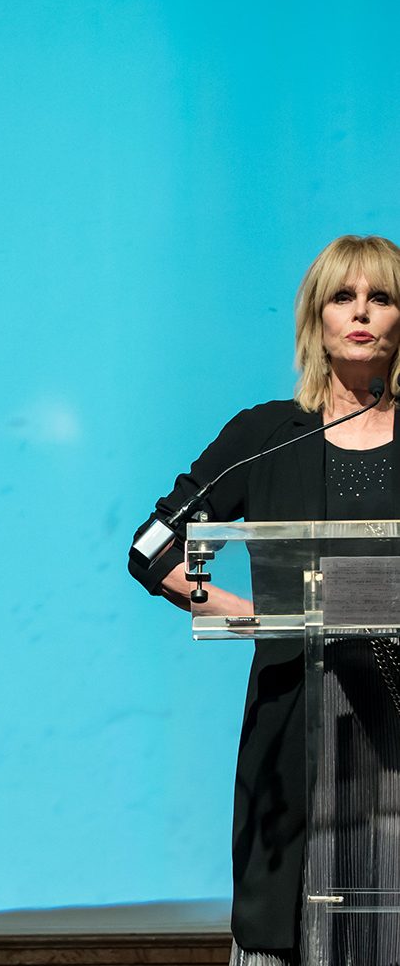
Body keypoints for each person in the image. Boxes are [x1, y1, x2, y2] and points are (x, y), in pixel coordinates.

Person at [129, 234, 400, 966]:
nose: (362, 313)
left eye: (381, 297)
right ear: (316, 317)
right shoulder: (265, 436)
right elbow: (152, 551)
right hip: (296, 738)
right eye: (343, 297)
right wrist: (256, 616)